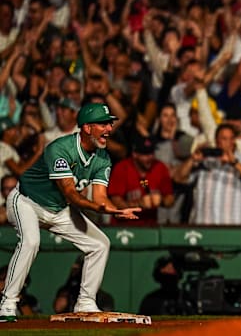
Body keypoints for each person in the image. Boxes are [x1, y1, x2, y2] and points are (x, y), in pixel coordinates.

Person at [0, 103, 141, 322]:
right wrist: (100, 208)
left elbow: (100, 197)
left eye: (109, 123)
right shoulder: (60, 148)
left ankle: (85, 301)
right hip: (26, 201)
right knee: (31, 241)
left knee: (100, 244)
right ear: (86, 128)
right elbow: (71, 194)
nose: (109, 128)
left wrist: (115, 210)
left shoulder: (102, 158)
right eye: (103, 123)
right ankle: (7, 304)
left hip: (58, 209)